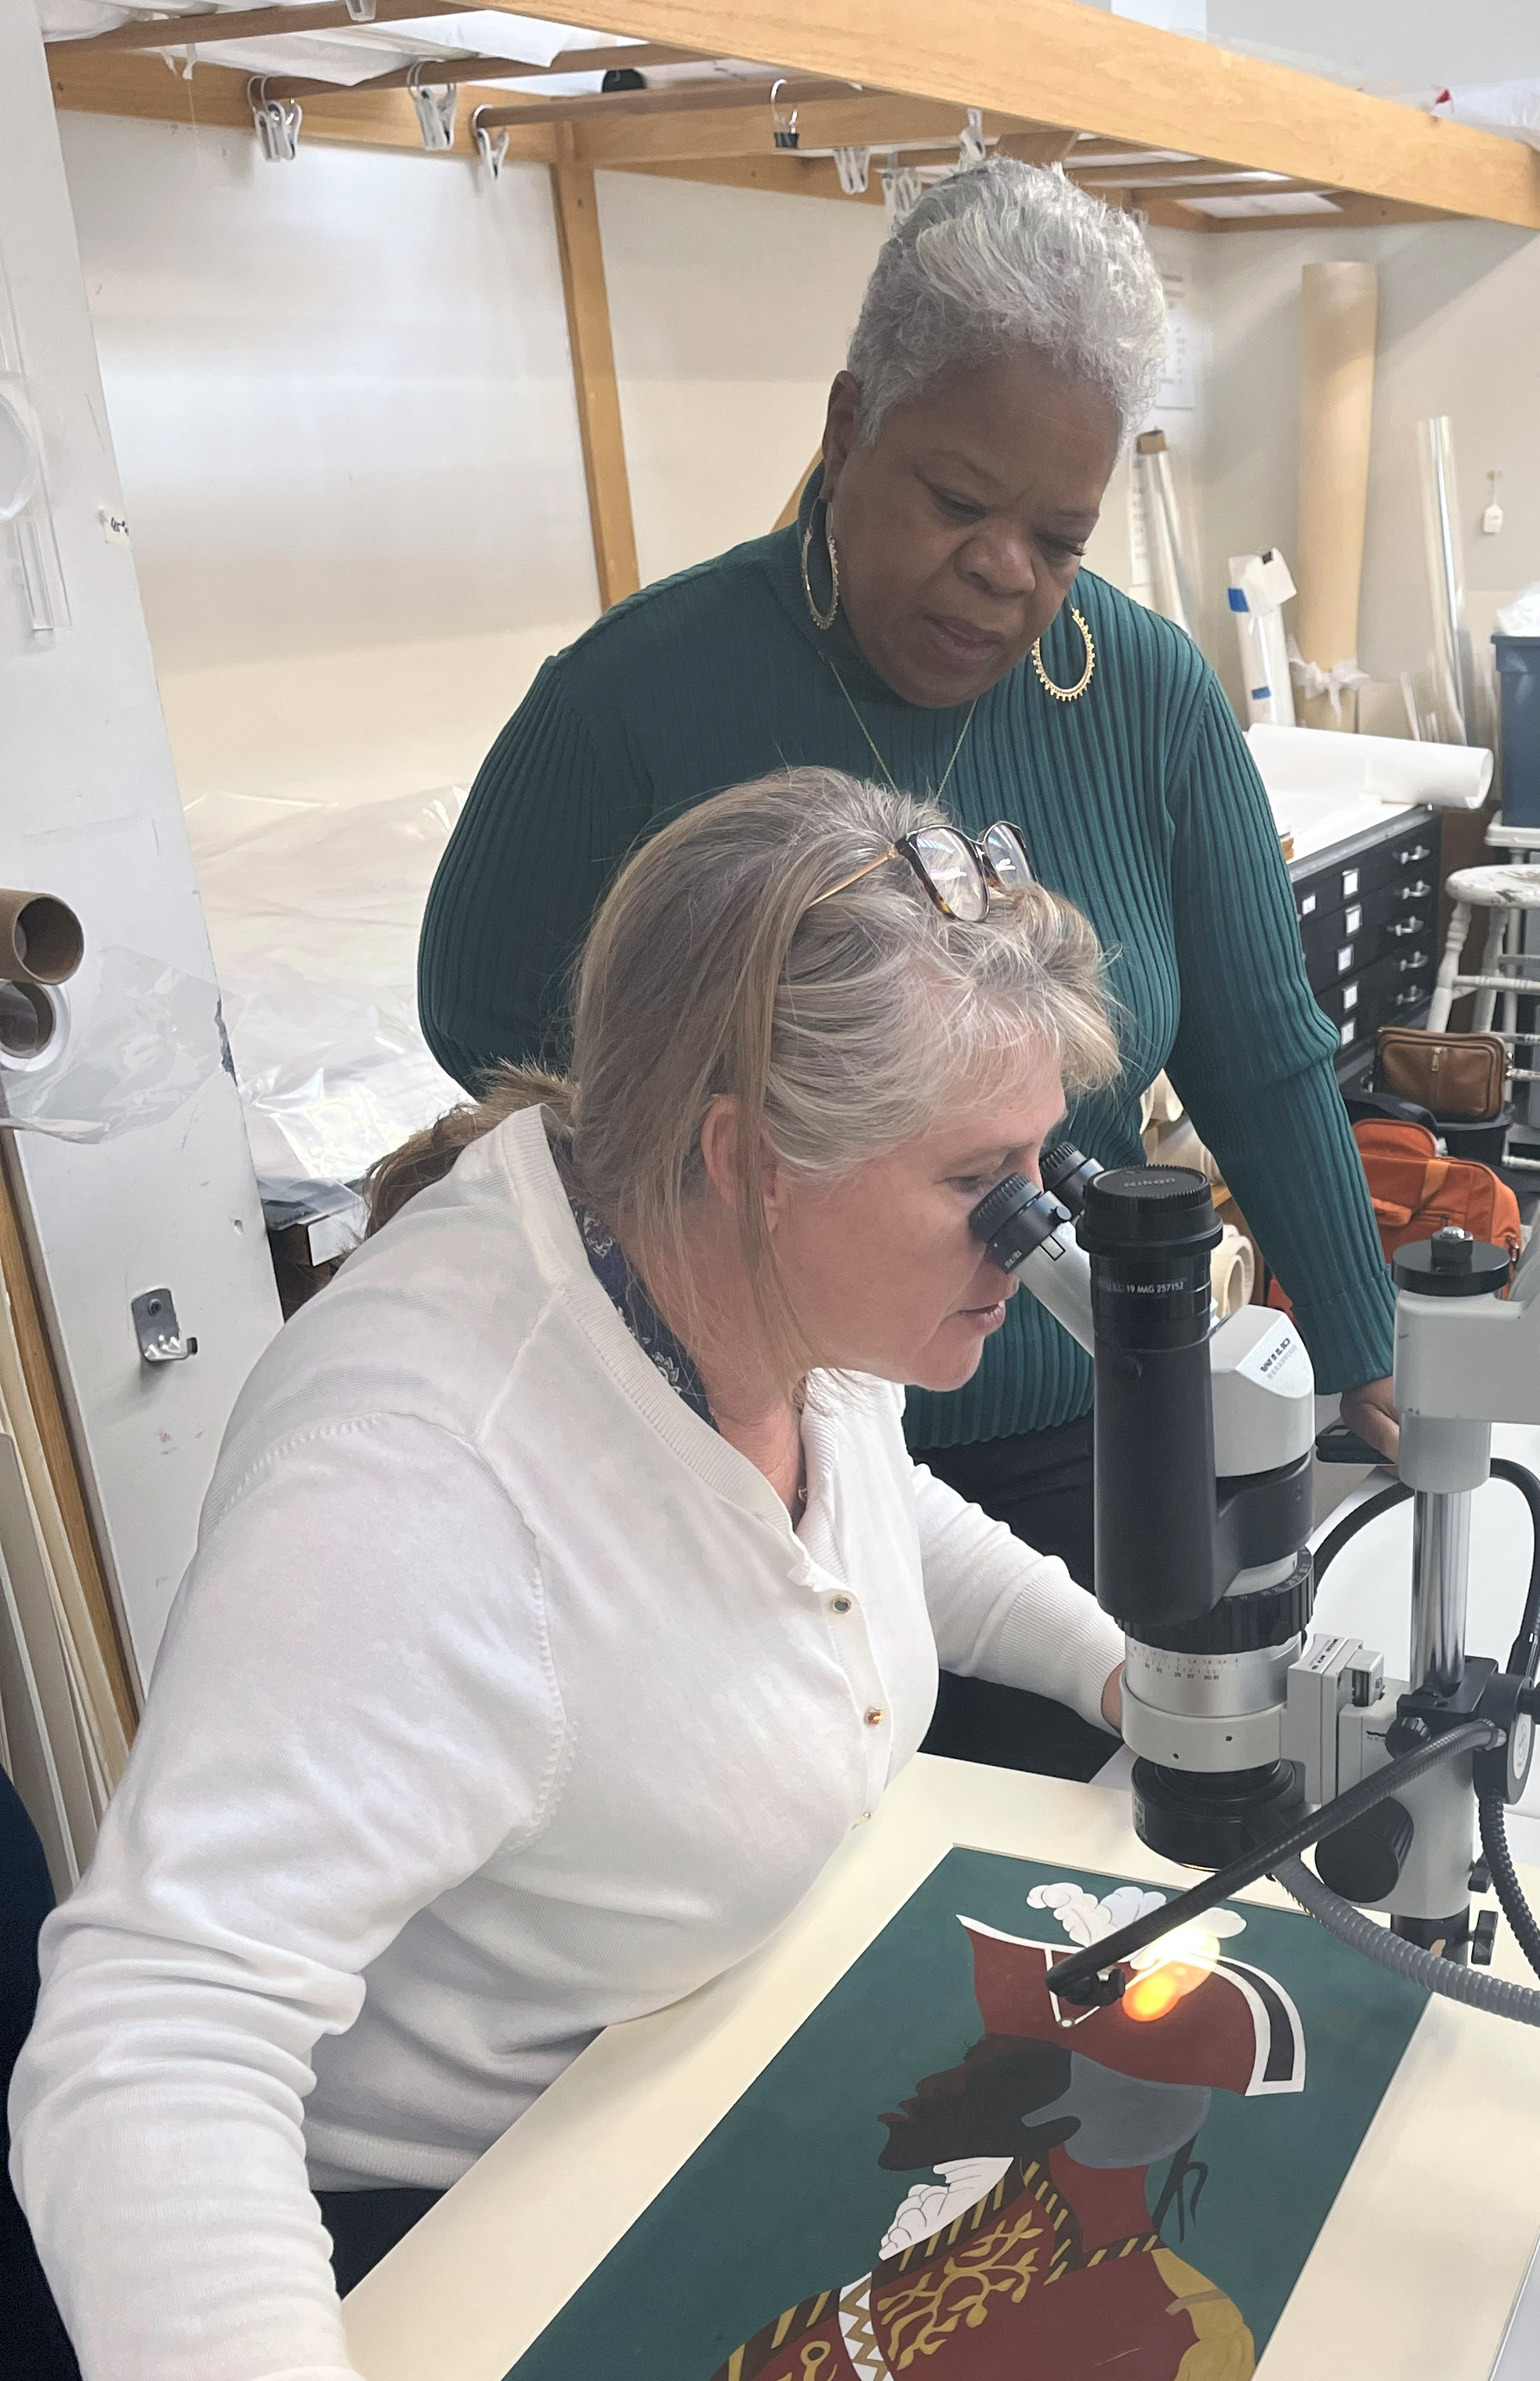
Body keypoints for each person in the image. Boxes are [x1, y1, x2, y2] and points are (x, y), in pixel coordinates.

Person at [9, 767, 1132, 2381]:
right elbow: (146, 2044)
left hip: (688, 2102)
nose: (1039, 1242)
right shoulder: (427, 1484)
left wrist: (1127, 1680)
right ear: (744, 1149)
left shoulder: (734, 1275)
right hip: (438, 2250)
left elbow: (877, 1513)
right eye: (987, 1189)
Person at [418, 160, 1398, 1775]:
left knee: (1082, 1876)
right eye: (956, 502)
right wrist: (753, 1191)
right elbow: (481, 1018)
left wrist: (1368, 1350)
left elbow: (1260, 1044)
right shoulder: (634, 701)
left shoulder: (1146, 700)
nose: (1007, 569)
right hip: (748, 1456)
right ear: (845, 423)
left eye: (1060, 535)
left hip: (1086, 1439)